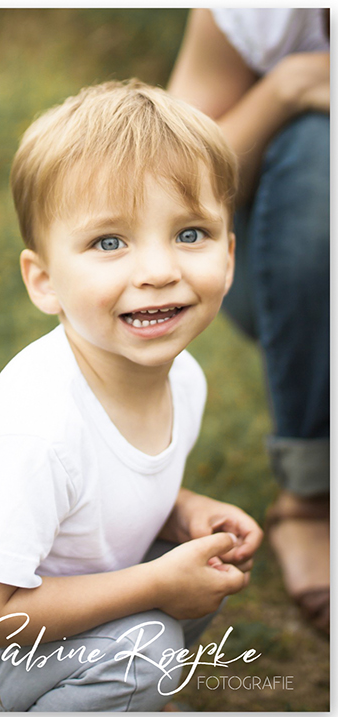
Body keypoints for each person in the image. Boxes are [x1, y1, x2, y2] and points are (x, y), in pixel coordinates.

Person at [0, 81, 260, 711]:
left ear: (230, 256)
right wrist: (156, 581)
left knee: (194, 569)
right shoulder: (39, 427)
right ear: (44, 281)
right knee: (150, 643)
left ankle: (109, 693)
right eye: (110, 242)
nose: (159, 269)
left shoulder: (184, 378)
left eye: (190, 234)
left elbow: (97, 489)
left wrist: (179, 510)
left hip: (14, 625)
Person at [169, 7, 330, 634]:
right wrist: (289, 86)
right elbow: (172, 180)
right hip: (286, 266)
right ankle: (310, 497)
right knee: (320, 147)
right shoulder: (259, 11)